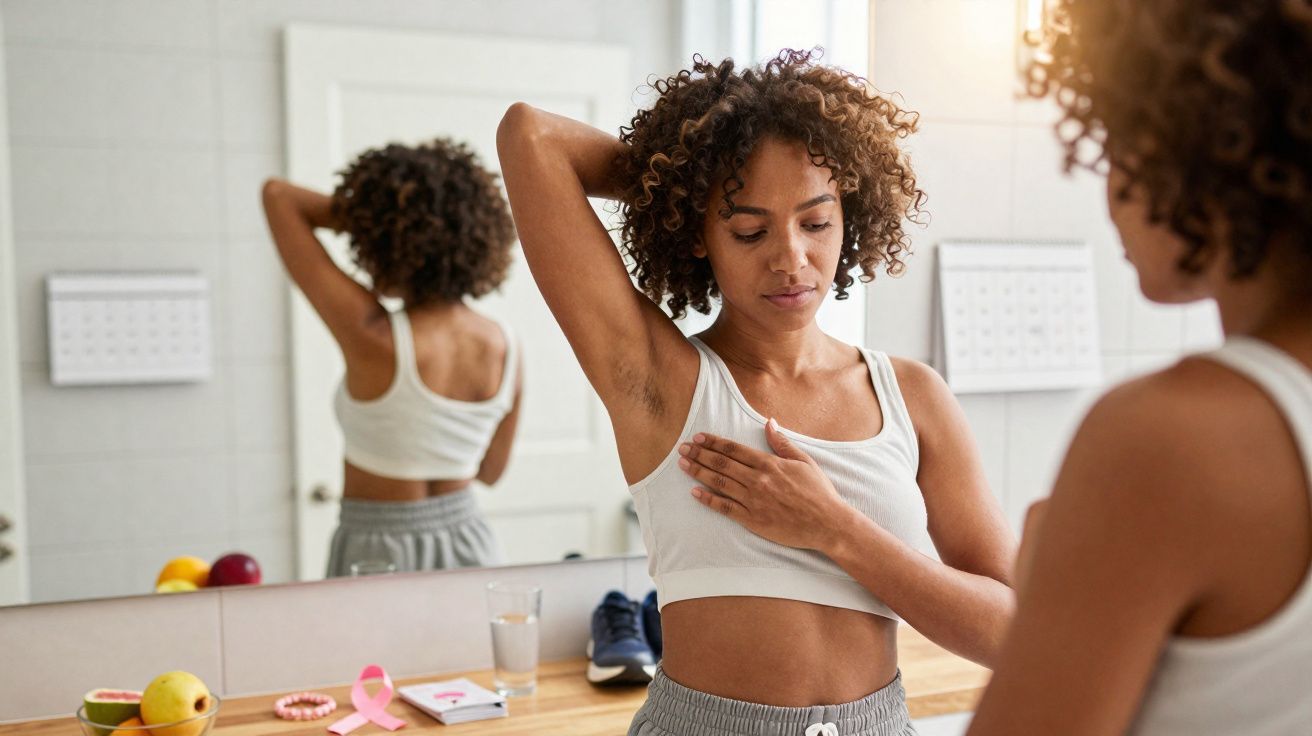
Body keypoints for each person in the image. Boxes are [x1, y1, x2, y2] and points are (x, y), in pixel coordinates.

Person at [681, 4, 1312, 734]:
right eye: (747, 225)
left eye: (1117, 146)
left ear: (1202, 155)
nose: (1107, 191)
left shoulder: (1167, 440)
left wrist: (1058, 599)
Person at [497, 50, 1016, 736]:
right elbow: (531, 137)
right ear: (700, 234)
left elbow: (1012, 632)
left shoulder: (912, 396)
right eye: (748, 228)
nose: (790, 259)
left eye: (816, 221)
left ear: (849, 216)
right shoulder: (660, 381)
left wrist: (836, 529)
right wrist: (681, 185)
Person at [261, 138, 522, 577]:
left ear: (382, 245)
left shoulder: (374, 336)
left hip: (375, 551)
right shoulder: (504, 345)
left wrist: (378, 220)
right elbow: (490, 472)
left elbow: (278, 197)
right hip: (470, 542)